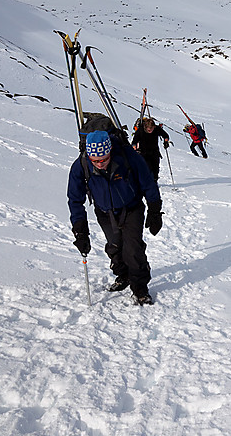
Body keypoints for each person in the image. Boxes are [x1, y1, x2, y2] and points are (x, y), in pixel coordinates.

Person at [67, 129, 163, 305]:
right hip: (104, 212)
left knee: (132, 248)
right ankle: (123, 275)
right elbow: (75, 199)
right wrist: (80, 231)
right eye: (95, 160)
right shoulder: (81, 165)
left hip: (132, 208)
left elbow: (148, 182)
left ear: (110, 151)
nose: (100, 164)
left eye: (104, 159)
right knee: (114, 246)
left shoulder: (127, 156)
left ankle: (139, 287)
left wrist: (155, 210)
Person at [132, 117, 170, 181]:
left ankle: (155, 180)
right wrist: (134, 147)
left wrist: (166, 142)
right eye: (148, 129)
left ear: (154, 127)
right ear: (145, 127)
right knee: (147, 168)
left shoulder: (157, 129)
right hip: (144, 152)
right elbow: (134, 141)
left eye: (151, 129)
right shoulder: (141, 131)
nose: (149, 130)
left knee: (155, 168)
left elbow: (165, 135)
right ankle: (147, 182)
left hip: (154, 151)